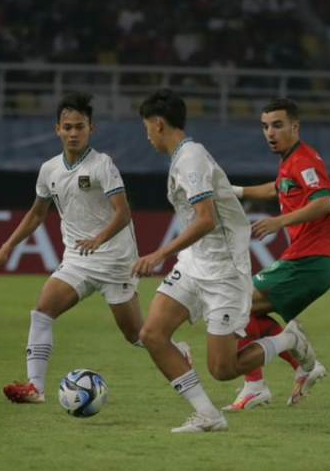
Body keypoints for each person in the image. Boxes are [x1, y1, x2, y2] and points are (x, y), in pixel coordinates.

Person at [134, 89, 315, 433]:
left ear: (158, 123)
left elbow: (206, 220)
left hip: (224, 273)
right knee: (153, 334)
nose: (147, 135)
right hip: (193, 264)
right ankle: (209, 415)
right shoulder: (182, 157)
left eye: (147, 127)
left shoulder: (190, 159)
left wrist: (159, 253)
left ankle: (289, 340)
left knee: (223, 368)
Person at [0, 92, 188, 404]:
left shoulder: (102, 165)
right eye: (67, 127)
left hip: (115, 261)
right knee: (41, 312)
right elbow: (36, 213)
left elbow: (123, 213)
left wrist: (98, 238)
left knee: (136, 336)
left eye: (79, 127)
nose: (73, 133)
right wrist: (6, 247)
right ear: (56, 129)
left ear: (90, 129)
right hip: (77, 260)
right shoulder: (49, 169)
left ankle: (180, 351)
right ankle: (35, 388)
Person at [224, 97, 330, 410]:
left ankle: (255, 385)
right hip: (307, 260)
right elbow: (277, 187)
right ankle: (303, 364)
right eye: (265, 127)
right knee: (251, 313)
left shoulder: (304, 161)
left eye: (277, 125)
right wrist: (231, 191)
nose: (270, 132)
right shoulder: (290, 162)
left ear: (295, 126)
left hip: (310, 261)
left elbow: (323, 202)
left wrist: (279, 221)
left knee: (237, 302)